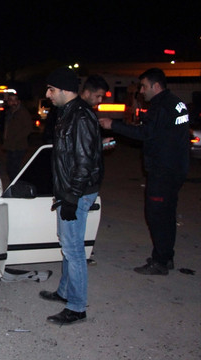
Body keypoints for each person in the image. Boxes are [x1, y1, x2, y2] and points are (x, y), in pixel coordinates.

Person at [99, 68, 189, 275]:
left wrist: (114, 125)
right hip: (176, 168)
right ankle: (166, 256)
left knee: (156, 215)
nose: (141, 91)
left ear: (156, 86)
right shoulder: (176, 103)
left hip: (163, 170)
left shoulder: (161, 107)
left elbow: (146, 133)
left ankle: (160, 262)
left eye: (144, 86)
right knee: (167, 214)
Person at [39, 67, 103, 325]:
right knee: (67, 245)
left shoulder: (81, 116)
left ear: (65, 90)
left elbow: (84, 162)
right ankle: (65, 292)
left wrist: (73, 197)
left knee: (74, 249)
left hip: (77, 192)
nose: (48, 94)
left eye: (51, 89)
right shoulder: (67, 113)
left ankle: (77, 307)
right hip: (68, 190)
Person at [3, 93, 32, 181]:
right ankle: (14, 184)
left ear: (18, 101)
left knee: (14, 168)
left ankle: (16, 185)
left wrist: (17, 139)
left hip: (19, 146)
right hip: (10, 146)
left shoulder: (23, 113)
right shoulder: (9, 113)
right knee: (10, 167)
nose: (13, 102)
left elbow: (28, 128)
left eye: (15, 100)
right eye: (11, 100)